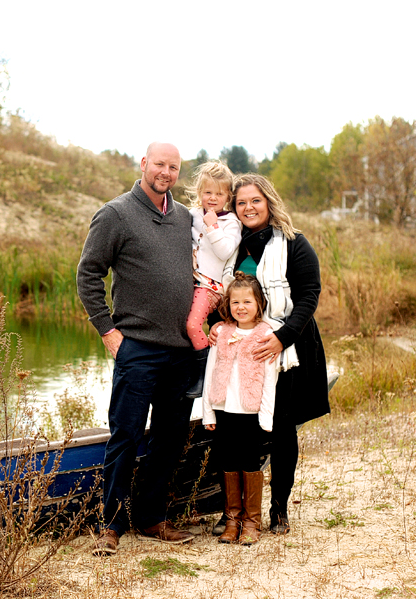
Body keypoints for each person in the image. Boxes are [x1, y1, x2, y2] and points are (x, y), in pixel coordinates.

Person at [76, 142, 196, 556]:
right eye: (159, 164)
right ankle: (109, 526)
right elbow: (88, 274)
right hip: (137, 348)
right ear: (144, 164)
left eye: (174, 167)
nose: (166, 172)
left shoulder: (185, 219)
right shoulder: (115, 214)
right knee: (125, 436)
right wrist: (108, 332)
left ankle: (151, 519)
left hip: (181, 351)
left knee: (168, 438)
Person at [209, 173, 330, 536]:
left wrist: (281, 338)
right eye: (241, 202)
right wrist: (216, 324)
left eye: (255, 201)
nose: (248, 208)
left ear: (269, 202)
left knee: (281, 430)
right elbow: (223, 294)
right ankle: (232, 513)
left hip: (288, 347)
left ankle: (278, 511)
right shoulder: (231, 246)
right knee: (232, 428)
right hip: (239, 349)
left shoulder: (294, 244)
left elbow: (309, 295)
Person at [201, 272, 277, 545]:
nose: (241, 307)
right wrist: (208, 411)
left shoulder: (266, 334)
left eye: (247, 302)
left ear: (259, 304)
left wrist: (266, 416)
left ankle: (251, 522)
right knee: (228, 463)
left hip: (251, 412)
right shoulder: (222, 332)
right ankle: (231, 519)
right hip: (224, 411)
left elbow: (270, 379)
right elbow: (210, 372)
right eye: (235, 302)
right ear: (228, 305)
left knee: (249, 464)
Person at [184, 160, 242, 399]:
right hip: (190, 283)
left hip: (211, 287)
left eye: (219, 193)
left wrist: (212, 227)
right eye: (207, 192)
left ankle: (204, 375)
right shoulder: (192, 215)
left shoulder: (231, 223)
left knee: (192, 325)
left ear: (228, 195)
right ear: (199, 192)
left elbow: (225, 252)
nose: (212, 197)